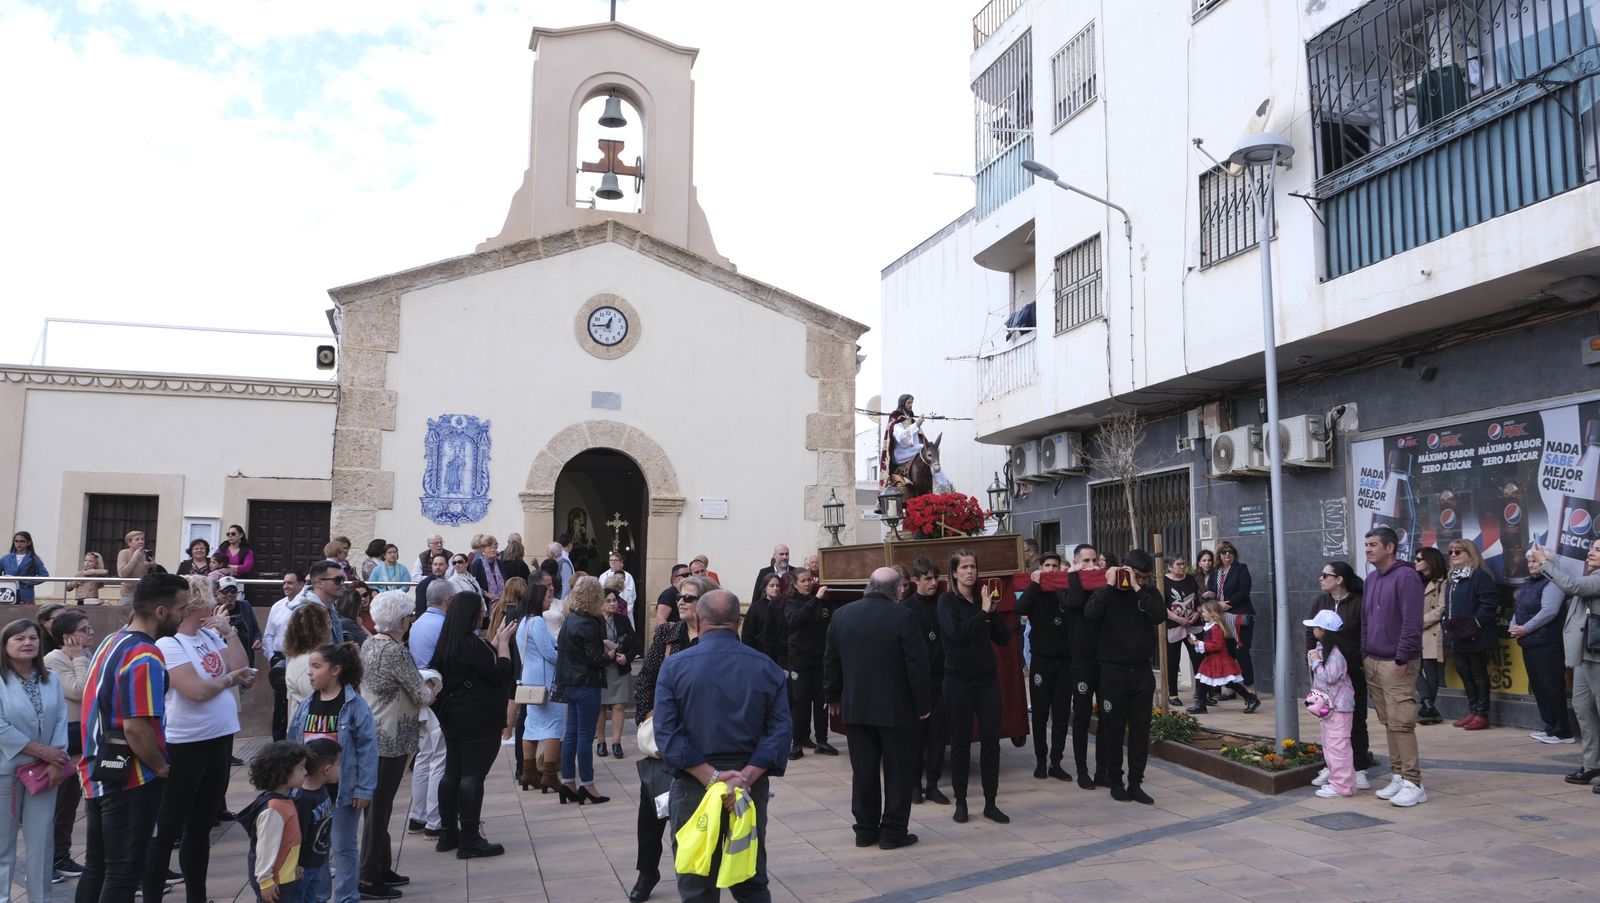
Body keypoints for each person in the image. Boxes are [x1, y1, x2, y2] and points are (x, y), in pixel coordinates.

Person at [654, 589, 790, 902]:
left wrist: (712, 778)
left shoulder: (674, 667)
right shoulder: (766, 667)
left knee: (697, 885)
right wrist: (745, 777)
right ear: (738, 622)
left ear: (698, 620)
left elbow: (667, 734)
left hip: (693, 787)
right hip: (746, 787)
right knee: (750, 880)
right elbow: (780, 730)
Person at [144, 575, 254, 903]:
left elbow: (243, 668)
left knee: (200, 826)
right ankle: (151, 895)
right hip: (185, 744)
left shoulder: (209, 634)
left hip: (218, 740)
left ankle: (198, 895)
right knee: (169, 827)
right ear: (193, 605)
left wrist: (229, 632)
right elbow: (195, 691)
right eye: (208, 597)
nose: (215, 602)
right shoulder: (169, 643)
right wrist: (229, 679)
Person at [77, 572, 186, 903]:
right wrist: (161, 766)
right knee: (124, 873)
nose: (184, 615)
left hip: (99, 770)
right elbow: (137, 726)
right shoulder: (145, 654)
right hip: (131, 779)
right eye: (181, 608)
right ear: (161, 611)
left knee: (96, 867)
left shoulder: (113, 640)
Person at [824, 568, 930, 850]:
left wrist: (833, 696)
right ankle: (893, 832)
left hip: (856, 707)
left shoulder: (842, 615)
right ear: (898, 590)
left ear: (868, 587)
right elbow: (917, 666)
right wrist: (923, 705)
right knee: (898, 771)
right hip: (897, 709)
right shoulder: (904, 616)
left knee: (864, 771)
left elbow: (830, 660)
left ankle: (865, 830)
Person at [629, 579, 706, 902]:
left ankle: (696, 875)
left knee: (690, 815)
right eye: (679, 597)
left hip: (697, 739)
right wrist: (647, 716)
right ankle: (647, 871)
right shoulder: (667, 634)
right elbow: (647, 676)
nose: (681, 602)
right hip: (662, 736)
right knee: (651, 812)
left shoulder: (713, 638)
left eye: (689, 597)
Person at [428, 592, 517, 857]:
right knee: (472, 775)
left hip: (452, 716)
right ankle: (469, 839)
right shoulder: (471, 645)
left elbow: (478, 666)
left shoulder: (447, 644)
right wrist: (503, 644)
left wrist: (493, 642)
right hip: (478, 717)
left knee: (453, 771)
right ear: (472, 615)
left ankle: (448, 833)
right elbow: (501, 672)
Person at [288, 642, 377, 903]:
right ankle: (319, 896)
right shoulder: (306, 706)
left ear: (335, 669)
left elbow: (367, 750)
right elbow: (293, 745)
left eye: (316, 666)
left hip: (343, 793)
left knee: (343, 846)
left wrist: (363, 788)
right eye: (310, 667)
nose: (310, 673)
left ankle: (347, 898)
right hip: (308, 794)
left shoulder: (355, 706)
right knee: (315, 849)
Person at [359, 591, 432, 895]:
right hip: (388, 736)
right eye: (409, 617)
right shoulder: (395, 651)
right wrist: (432, 682)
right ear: (402, 620)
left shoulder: (370, 642)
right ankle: (368, 877)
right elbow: (421, 694)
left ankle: (381, 866)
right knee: (378, 809)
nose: (410, 621)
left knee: (380, 807)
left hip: (375, 732)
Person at [1086, 549, 1164, 805]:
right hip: (1113, 671)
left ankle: (1135, 782)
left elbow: (1160, 615)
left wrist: (1138, 588)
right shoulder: (1108, 593)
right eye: (1137, 576)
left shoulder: (1148, 593)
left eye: (1145, 578)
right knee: (1113, 729)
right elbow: (1091, 614)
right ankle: (1115, 781)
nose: (1141, 581)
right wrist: (1110, 585)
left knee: (1141, 730)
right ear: (1125, 569)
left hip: (1141, 672)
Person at [938, 549, 1009, 824]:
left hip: (986, 679)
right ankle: (961, 801)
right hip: (958, 680)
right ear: (954, 572)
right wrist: (982, 613)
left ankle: (991, 802)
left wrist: (993, 611)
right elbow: (957, 635)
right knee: (960, 742)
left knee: (991, 741)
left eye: (973, 567)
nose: (970, 572)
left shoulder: (984, 600)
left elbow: (1002, 639)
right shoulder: (946, 602)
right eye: (964, 567)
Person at [0, 618, 69, 899]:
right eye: (19, 638)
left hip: (45, 772)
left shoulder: (50, 678)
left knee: (41, 843)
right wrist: (42, 752)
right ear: (5, 646)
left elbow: (61, 719)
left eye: (32, 638)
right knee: (3, 844)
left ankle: (41, 898)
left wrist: (56, 761)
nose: (27, 643)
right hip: (6, 771)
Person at [1361, 526, 1427, 807]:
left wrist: (1402, 657)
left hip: (1397, 662)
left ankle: (1414, 782)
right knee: (1389, 722)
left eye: (1373, 544)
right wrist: (1365, 651)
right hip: (1373, 660)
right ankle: (1398, 775)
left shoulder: (1407, 576)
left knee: (1402, 722)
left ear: (1390, 547)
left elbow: (1412, 622)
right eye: (1366, 545)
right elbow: (1365, 620)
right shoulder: (1371, 578)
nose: (1368, 549)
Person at [1533, 541, 1600, 791]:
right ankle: (1592, 763)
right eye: (1592, 548)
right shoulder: (1593, 576)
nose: (1591, 552)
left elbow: (1572, 586)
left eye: (1599, 550)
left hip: (1597, 656)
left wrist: (1545, 563)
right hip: (1586, 655)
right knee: (1583, 709)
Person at [1306, 561, 1372, 788]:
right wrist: (1312, 658)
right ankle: (1333, 766)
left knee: (1355, 720)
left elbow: (1365, 633)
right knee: (1328, 723)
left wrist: (1361, 662)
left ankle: (1359, 767)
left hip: (1352, 671)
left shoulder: (1358, 602)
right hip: (1323, 675)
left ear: (1340, 579)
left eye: (1325, 575)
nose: (1320, 578)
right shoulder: (1320, 601)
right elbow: (1310, 633)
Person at [556, 577, 620, 805]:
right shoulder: (589, 622)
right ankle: (588, 785)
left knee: (571, 734)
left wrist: (600, 644)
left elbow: (576, 649)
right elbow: (595, 659)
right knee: (585, 736)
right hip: (586, 684)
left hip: (570, 684)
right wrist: (610, 654)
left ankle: (568, 781)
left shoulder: (571, 618)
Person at [45, 610, 94, 879]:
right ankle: (46, 861)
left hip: (80, 739)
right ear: (68, 637)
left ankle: (61, 856)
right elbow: (80, 689)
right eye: (84, 630)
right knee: (56, 805)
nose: (90, 634)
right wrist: (78, 660)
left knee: (69, 805)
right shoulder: (54, 659)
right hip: (63, 741)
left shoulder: (85, 655)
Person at [1016, 552, 1072, 781]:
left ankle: (1055, 762)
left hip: (1064, 662)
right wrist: (1034, 584)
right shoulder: (1036, 593)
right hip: (1041, 661)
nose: (1051, 569)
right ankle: (1040, 761)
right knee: (1039, 715)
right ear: (1041, 568)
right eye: (1047, 565)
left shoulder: (1065, 592)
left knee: (1060, 714)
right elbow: (1020, 608)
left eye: (1054, 566)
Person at [1511, 549, 1573, 744]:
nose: (1531, 565)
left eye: (1536, 561)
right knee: (1538, 686)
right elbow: (1519, 608)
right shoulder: (1530, 583)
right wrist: (1514, 626)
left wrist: (1525, 629)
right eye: (1529, 561)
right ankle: (1550, 726)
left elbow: (1549, 611)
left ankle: (1562, 731)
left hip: (1547, 643)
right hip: (1530, 642)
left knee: (1551, 685)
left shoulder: (1553, 582)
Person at [405, 579, 452, 838]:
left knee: (425, 755)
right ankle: (433, 819)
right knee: (438, 757)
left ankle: (418, 814)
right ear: (447, 601)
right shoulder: (442, 624)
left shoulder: (419, 622)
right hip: (435, 690)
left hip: (422, 690)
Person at [1061, 543, 1107, 790]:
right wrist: (1074, 577)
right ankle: (1082, 770)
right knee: (1081, 717)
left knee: (1106, 718)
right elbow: (1076, 603)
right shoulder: (1067, 587)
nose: (1091, 566)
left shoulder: (1103, 587)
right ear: (1076, 562)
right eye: (1085, 561)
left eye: (1094, 561)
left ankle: (1102, 770)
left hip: (1105, 661)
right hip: (1080, 661)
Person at [238, 741, 307, 903]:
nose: (305, 772)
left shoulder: (283, 800)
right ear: (283, 773)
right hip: (274, 882)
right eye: (301, 767)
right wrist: (266, 881)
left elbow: (286, 845)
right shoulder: (274, 809)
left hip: (283, 877)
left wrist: (292, 868)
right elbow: (265, 849)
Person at [903, 557, 948, 805]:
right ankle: (913, 785)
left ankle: (933, 784)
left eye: (936, 578)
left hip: (941, 680)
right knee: (915, 739)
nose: (934, 583)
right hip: (916, 683)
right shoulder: (907, 608)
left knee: (938, 736)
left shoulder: (944, 603)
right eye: (928, 579)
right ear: (916, 580)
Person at [1442, 538, 1498, 730]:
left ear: (1470, 554)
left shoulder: (1479, 576)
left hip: (1475, 635)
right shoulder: (1453, 578)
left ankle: (1482, 714)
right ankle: (1473, 710)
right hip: (1457, 636)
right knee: (1464, 671)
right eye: (1451, 552)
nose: (1453, 555)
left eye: (1458, 551)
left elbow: (1489, 604)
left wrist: (1473, 623)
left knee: (1478, 672)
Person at [516, 580, 565, 793]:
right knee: (554, 727)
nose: (550, 600)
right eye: (547, 596)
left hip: (530, 679)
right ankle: (550, 775)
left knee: (532, 726)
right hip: (545, 681)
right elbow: (550, 653)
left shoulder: (523, 621)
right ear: (538, 598)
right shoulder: (536, 621)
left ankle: (528, 772)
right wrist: (566, 655)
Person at [1305, 610, 1358, 799]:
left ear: (1324, 630)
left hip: (1338, 706)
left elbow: (1330, 677)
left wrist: (1316, 663)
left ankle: (1342, 786)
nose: (1313, 629)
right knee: (1331, 745)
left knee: (1338, 746)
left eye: (1316, 627)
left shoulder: (1335, 653)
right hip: (1330, 707)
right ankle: (1341, 782)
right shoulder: (1325, 649)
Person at [783, 568, 835, 757]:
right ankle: (797, 742)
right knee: (801, 701)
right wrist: (815, 600)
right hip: (800, 659)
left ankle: (822, 741)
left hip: (820, 658)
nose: (807, 584)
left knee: (821, 701)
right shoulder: (791, 603)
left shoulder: (823, 603)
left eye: (810, 580)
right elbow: (796, 620)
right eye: (803, 581)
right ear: (795, 584)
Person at [1201, 541, 1256, 699]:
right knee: (1229, 653)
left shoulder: (1241, 569)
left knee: (1242, 652)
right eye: (1224, 552)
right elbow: (1211, 591)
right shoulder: (1214, 573)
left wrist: (1228, 605)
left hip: (1240, 616)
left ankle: (1250, 689)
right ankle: (1231, 690)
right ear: (1218, 554)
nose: (1227, 554)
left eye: (1230, 551)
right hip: (1222, 618)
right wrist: (1213, 601)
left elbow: (1244, 590)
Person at [1186, 601, 1261, 713]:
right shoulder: (1209, 627)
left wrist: (1199, 644)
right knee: (1203, 681)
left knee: (1230, 682)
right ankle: (1201, 705)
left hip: (1219, 660)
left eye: (1203, 612)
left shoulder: (1215, 628)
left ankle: (1251, 698)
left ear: (1211, 613)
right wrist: (1198, 643)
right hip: (1211, 659)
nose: (1202, 614)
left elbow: (1217, 645)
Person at [290, 739, 342, 903]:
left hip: (316, 864)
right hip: (302, 869)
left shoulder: (322, 790)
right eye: (338, 764)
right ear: (326, 769)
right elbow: (296, 837)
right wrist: (296, 865)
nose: (340, 768)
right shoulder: (303, 802)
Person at [596, 577, 638, 761]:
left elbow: (634, 642)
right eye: (609, 601)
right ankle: (601, 742)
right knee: (601, 707)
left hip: (619, 668)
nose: (613, 604)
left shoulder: (622, 620)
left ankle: (617, 743)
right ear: (602, 603)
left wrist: (626, 657)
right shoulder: (595, 621)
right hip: (601, 668)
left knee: (619, 705)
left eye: (615, 600)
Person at [262, 571, 306, 742]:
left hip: (299, 660)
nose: (286, 586)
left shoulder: (306, 607)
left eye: (290, 583)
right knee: (280, 705)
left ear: (301, 584)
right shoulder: (277, 606)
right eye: (284, 583)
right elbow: (268, 635)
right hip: (280, 660)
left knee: (297, 703)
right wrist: (272, 657)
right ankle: (278, 744)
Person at [1413, 547, 1448, 724]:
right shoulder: (1413, 581)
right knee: (1413, 670)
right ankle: (1429, 706)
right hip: (1413, 631)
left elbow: (1441, 609)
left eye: (1419, 559)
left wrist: (1418, 622)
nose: (1416, 562)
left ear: (1430, 561)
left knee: (1431, 670)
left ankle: (1428, 708)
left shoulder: (1443, 581)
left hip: (1431, 629)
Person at [1161, 557, 1201, 707]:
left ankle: (1201, 693)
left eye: (1184, 563)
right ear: (1170, 567)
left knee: (1198, 658)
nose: (1182, 566)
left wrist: (1196, 614)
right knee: (1173, 661)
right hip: (1174, 625)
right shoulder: (1163, 581)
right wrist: (1178, 619)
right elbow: (1162, 606)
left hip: (1193, 625)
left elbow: (1198, 601)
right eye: (1179, 564)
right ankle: (1173, 694)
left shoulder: (1190, 579)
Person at [283, 602, 332, 717]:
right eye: (328, 623)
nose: (331, 628)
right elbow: (322, 700)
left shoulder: (305, 658)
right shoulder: (306, 663)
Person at [740, 574, 784, 662]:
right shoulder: (756, 607)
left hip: (780, 654)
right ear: (765, 587)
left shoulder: (783, 606)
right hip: (760, 653)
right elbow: (747, 635)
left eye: (778, 586)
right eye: (771, 586)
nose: (775, 588)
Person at [1, 532, 49, 605]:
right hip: (8, 593)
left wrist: (29, 582)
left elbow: (44, 575)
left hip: (26, 595)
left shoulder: (34, 559)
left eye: (22, 541)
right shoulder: (5, 559)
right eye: (16, 541)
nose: (18, 544)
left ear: (28, 542)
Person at [115, 531, 155, 605]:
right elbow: (122, 573)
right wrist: (135, 558)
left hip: (144, 593)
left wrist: (153, 565)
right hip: (129, 594)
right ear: (129, 542)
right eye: (137, 539)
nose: (141, 541)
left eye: (142, 539)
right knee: (128, 615)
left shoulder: (145, 553)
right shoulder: (124, 553)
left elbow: (151, 573)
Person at [469, 535, 508, 604]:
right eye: (489, 548)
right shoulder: (477, 563)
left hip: (501, 602)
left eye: (494, 547)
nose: (493, 550)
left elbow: (505, 581)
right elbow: (473, 584)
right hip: (485, 602)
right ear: (483, 550)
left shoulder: (500, 563)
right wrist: (486, 593)